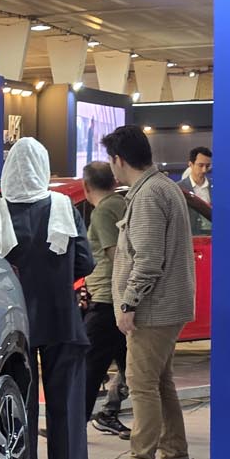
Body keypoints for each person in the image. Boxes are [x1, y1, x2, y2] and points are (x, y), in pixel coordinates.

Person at [0, 138, 94, 459]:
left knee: (17, 406)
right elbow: (86, 262)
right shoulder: (62, 206)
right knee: (68, 406)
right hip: (62, 318)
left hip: (13, 324)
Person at [103, 125, 196, 459]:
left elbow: (147, 260)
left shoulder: (147, 195)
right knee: (161, 382)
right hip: (167, 306)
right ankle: (175, 457)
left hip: (153, 310)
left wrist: (129, 303)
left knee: (141, 385)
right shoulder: (163, 187)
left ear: (118, 160)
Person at [80, 162, 130, 438]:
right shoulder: (122, 205)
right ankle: (109, 414)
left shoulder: (102, 212)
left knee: (89, 367)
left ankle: (73, 429)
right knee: (130, 368)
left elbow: (115, 256)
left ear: (86, 186)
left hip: (106, 300)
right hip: (119, 300)